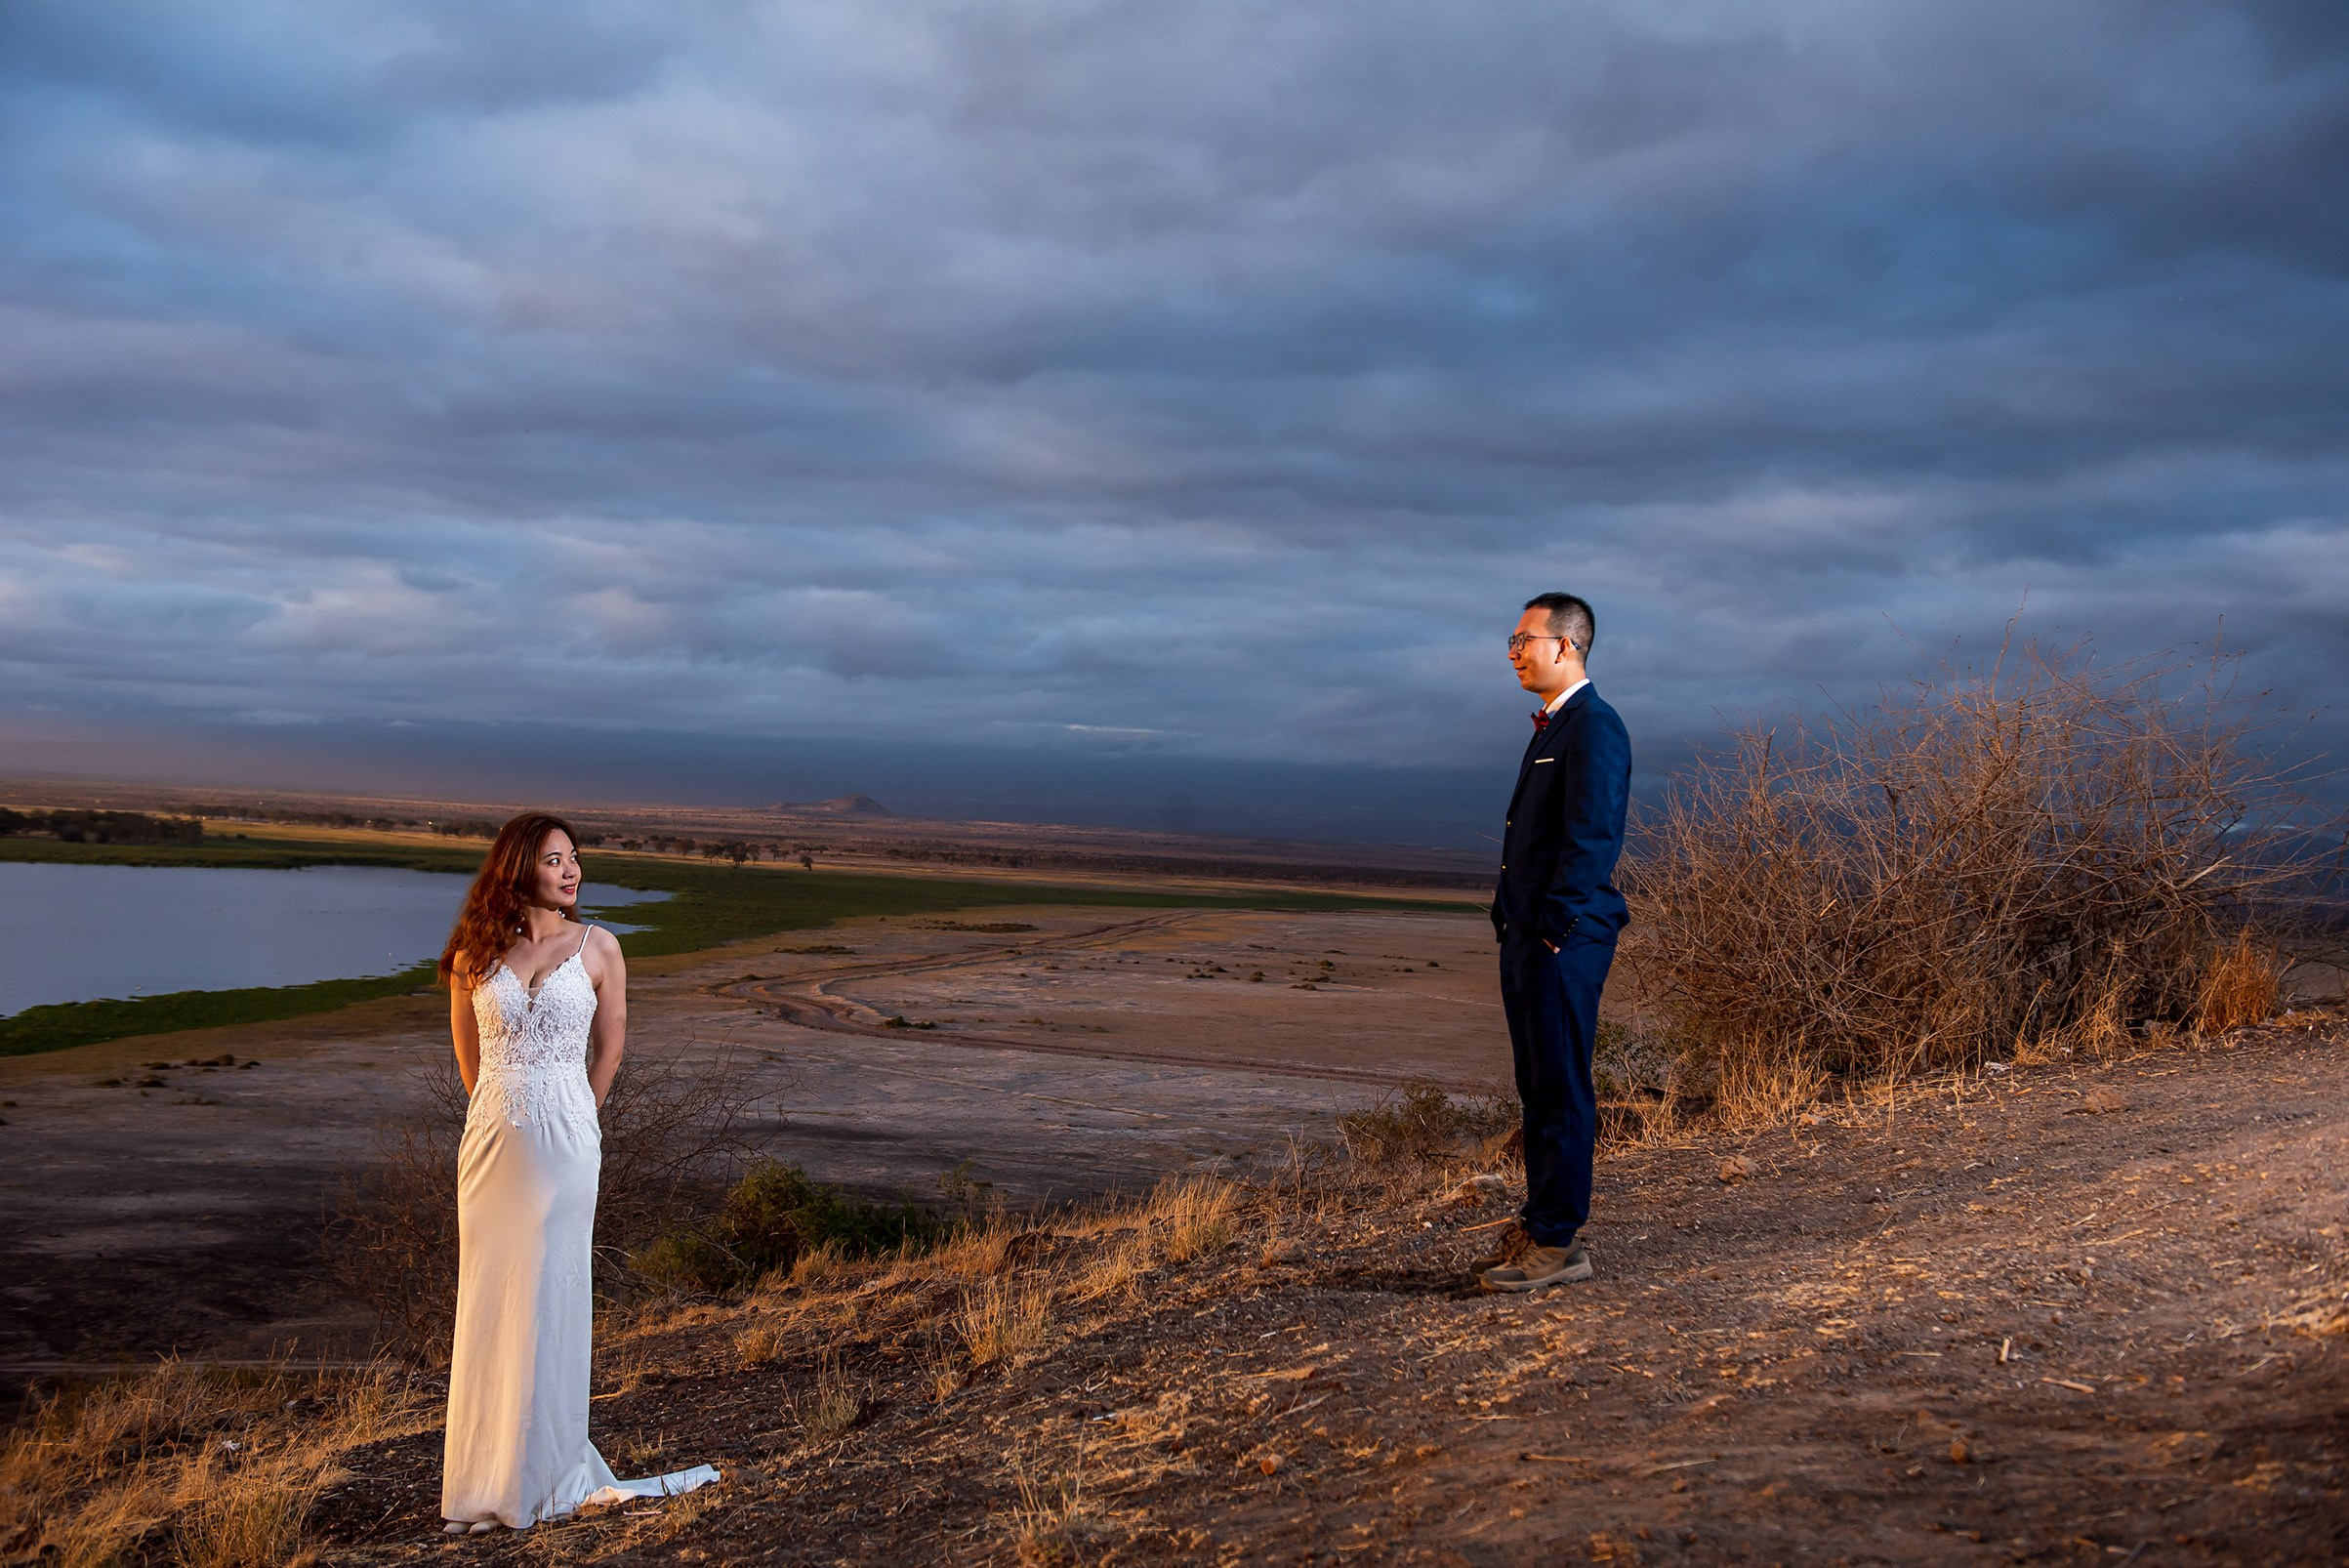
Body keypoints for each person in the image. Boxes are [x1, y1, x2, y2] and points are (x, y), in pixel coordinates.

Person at [437, 812, 718, 1532]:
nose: (572, 873)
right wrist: (503, 1113)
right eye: (556, 860)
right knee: (492, 1296)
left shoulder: (599, 948)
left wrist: (578, 1121)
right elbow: (471, 1060)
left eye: (575, 860)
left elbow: (611, 1047)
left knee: (548, 1293)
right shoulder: (474, 954)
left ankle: (545, 1473)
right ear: (518, 868)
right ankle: (485, 1483)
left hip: (567, 1145)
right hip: (494, 1143)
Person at [1474, 594, 1631, 1293]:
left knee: (1561, 1087)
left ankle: (1560, 1245)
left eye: (1522, 638)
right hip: (1534, 940)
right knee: (1538, 1085)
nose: (1513, 650)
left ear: (1566, 645)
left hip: (1562, 944)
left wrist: (1555, 931)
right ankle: (1541, 1229)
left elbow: (1592, 838)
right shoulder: (1553, 728)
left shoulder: (1594, 727)